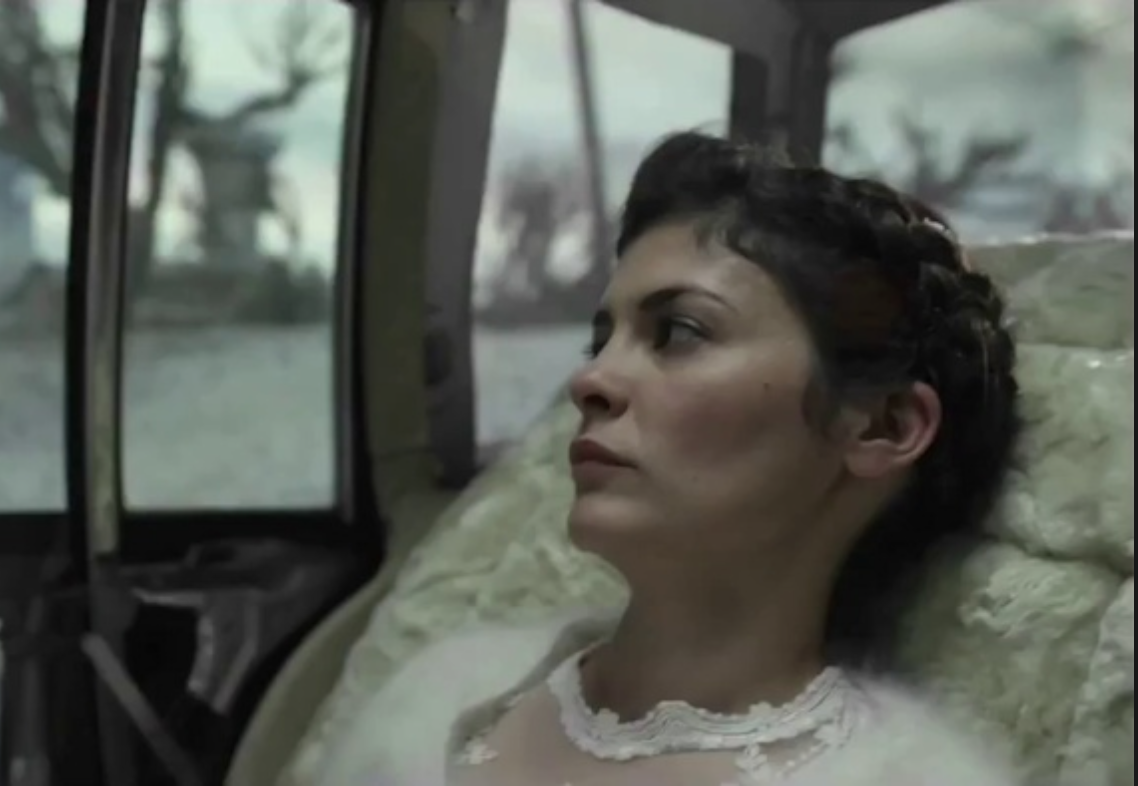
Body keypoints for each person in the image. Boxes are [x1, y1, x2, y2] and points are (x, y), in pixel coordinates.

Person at [328, 132, 1024, 786]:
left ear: (882, 425)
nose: (590, 380)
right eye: (600, 341)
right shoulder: (440, 694)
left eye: (679, 332)